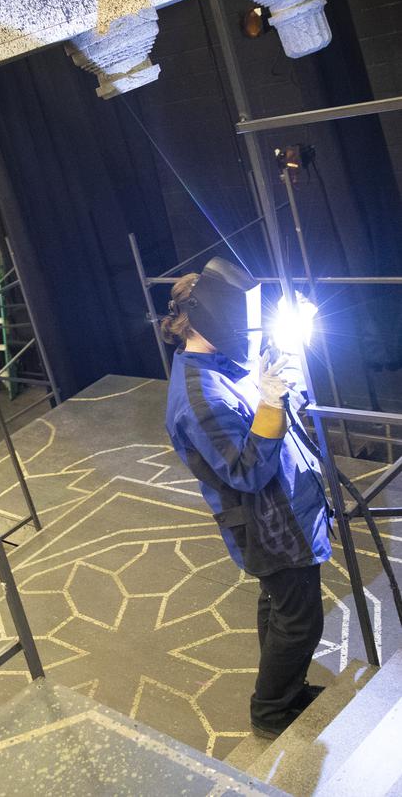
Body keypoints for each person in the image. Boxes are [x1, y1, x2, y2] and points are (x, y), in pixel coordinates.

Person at [162, 258, 332, 739]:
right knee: (299, 622)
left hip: (288, 511)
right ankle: (272, 710)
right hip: (273, 527)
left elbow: (270, 407)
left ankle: (286, 690)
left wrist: (282, 379)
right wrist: (270, 403)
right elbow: (248, 471)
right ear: (213, 320)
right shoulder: (200, 397)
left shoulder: (221, 360)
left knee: (279, 607)